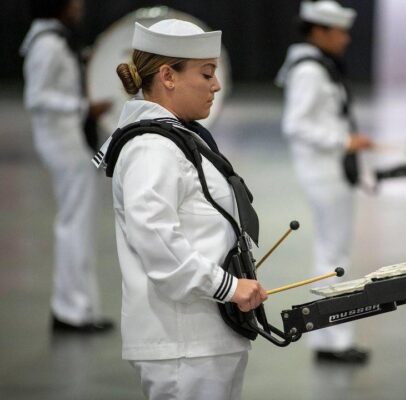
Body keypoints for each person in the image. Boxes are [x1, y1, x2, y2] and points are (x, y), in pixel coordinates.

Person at [93, 19, 268, 400]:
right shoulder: (151, 148)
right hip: (183, 345)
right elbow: (158, 242)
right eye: (206, 74)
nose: (216, 86)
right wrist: (228, 286)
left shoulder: (176, 137)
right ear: (168, 76)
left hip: (205, 337)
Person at [276, 0, 373, 364]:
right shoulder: (309, 71)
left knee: (331, 253)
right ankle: (335, 339)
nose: (346, 39)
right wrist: (343, 141)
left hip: (331, 171)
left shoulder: (319, 67)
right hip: (323, 172)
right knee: (333, 256)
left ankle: (328, 338)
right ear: (319, 32)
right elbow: (296, 125)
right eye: (339, 32)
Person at [20, 0, 112, 333]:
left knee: (79, 225)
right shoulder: (47, 44)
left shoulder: (55, 39)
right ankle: (71, 309)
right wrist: (83, 107)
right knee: (75, 225)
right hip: (63, 143)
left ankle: (78, 307)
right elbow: (36, 97)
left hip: (70, 141)